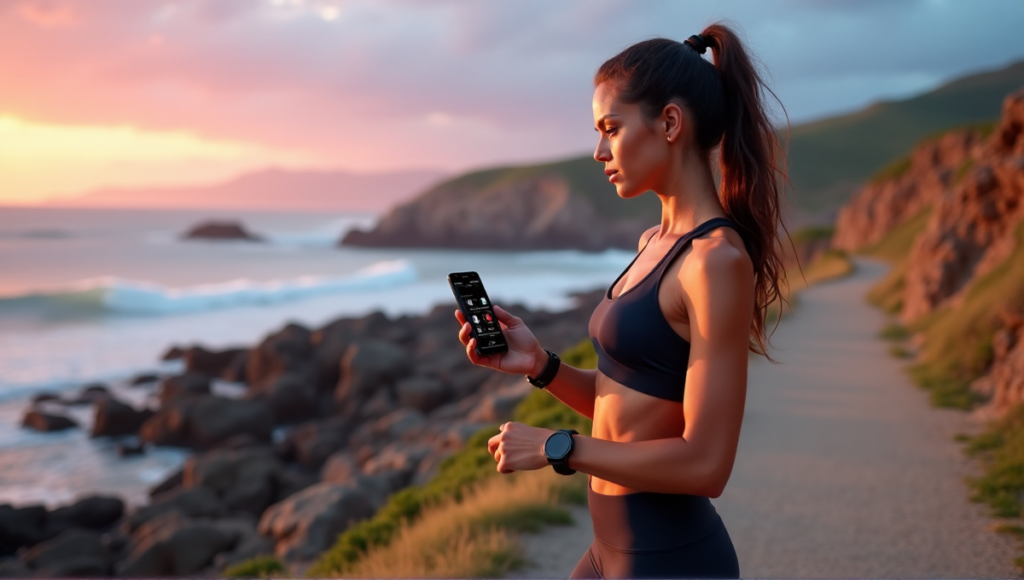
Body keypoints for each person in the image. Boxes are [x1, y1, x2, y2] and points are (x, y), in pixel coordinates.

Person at [454, 22, 789, 579]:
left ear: (670, 123)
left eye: (611, 128)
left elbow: (707, 464)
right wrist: (541, 366)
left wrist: (559, 447)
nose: (598, 150)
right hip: (609, 548)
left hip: (670, 558)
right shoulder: (652, 243)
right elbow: (628, 405)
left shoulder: (715, 262)